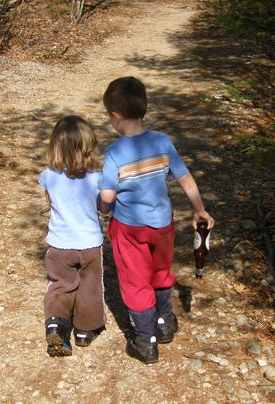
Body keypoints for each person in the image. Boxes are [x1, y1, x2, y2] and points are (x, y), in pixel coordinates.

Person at [99, 76, 215, 364]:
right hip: (163, 224)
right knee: (160, 270)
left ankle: (145, 339)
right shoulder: (162, 142)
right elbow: (185, 178)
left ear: (115, 117)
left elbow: (108, 197)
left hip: (129, 228)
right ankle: (165, 323)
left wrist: (101, 208)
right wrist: (199, 209)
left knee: (135, 280)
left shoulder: (114, 153)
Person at [39, 115, 109, 357]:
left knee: (60, 285)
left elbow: (50, 202)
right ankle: (85, 331)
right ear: (88, 147)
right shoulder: (97, 178)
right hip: (89, 243)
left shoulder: (48, 175)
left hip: (59, 244)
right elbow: (103, 208)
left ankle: (56, 324)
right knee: (90, 286)